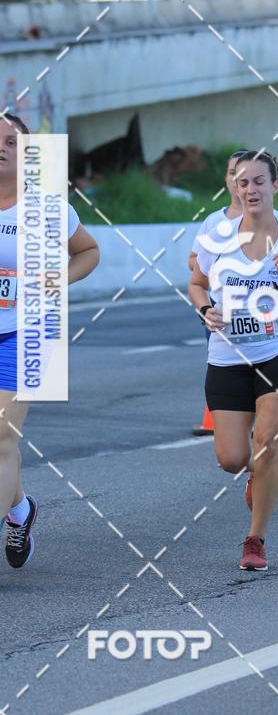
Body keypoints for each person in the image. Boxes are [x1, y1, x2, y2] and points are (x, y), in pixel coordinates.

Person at [190, 151, 278, 571]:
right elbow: (196, 283)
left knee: (266, 445)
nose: (251, 189)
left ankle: (255, 540)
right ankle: (261, 468)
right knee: (231, 458)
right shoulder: (217, 237)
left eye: (259, 181)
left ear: (275, 185)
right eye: (243, 182)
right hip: (227, 357)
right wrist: (205, 310)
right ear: (235, 186)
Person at [0, 114, 99, 568]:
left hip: (28, 331)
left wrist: (58, 279)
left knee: (2, 437)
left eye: (11, 141)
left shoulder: (47, 208)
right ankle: (20, 510)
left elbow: (88, 251)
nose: (1, 147)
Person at [188, 150, 245, 436]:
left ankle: (266, 418)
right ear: (226, 179)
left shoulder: (269, 220)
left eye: (243, 174)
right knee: (221, 362)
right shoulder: (213, 221)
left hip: (261, 306)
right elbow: (193, 261)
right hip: (220, 307)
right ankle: (219, 421)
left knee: (258, 362)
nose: (237, 179)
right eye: (232, 173)